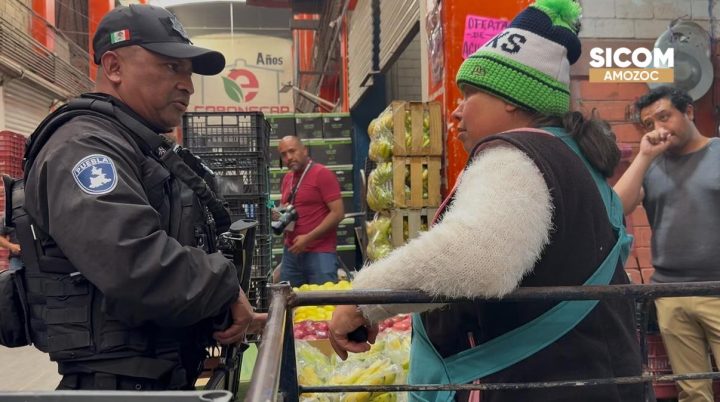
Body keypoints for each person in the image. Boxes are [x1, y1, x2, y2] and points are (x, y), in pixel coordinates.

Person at [329, 1, 645, 401]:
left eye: (470, 94)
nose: (456, 112)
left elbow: (477, 256)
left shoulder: (515, 154)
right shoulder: (574, 156)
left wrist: (363, 301)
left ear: (511, 98)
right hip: (597, 379)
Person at [17, 4, 265, 391]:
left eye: (189, 72)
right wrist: (224, 286)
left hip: (157, 377)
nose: (188, 85)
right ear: (114, 67)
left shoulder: (137, 145)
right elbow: (133, 263)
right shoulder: (83, 147)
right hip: (119, 387)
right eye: (171, 67)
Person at [614, 85, 720, 402]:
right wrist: (644, 155)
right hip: (671, 293)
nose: (658, 128)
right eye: (649, 123)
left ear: (688, 112)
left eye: (664, 117)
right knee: (692, 391)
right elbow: (618, 207)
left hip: (717, 289)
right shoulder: (652, 164)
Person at [275, 135, 344, 287]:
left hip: (320, 253)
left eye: (292, 151)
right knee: (290, 299)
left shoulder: (322, 174)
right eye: (284, 154)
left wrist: (308, 238)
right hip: (291, 253)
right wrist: (279, 215)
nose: (289, 157)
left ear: (304, 150)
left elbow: (338, 213)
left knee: (322, 299)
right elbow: (287, 209)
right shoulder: (287, 179)